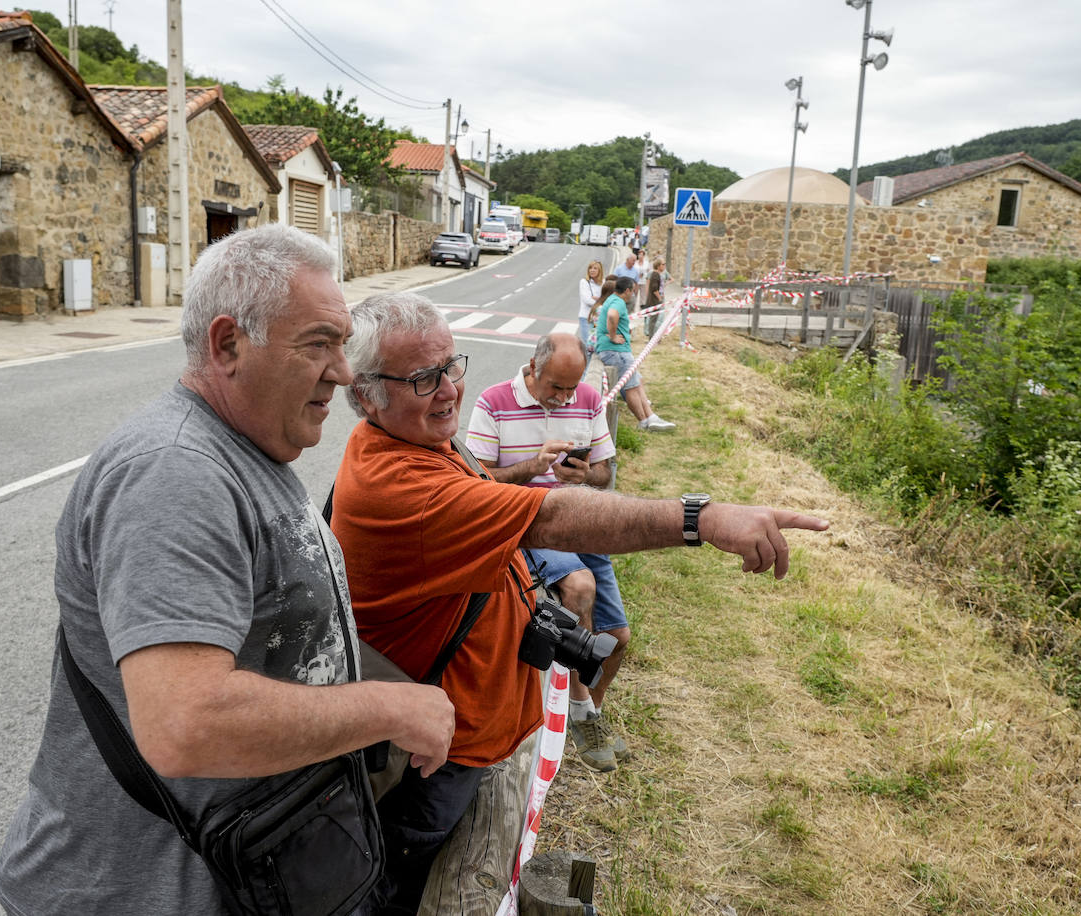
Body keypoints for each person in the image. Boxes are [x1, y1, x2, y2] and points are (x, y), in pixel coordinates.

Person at [0, 226, 454, 916]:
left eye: (343, 343)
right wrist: (390, 709)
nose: (344, 372)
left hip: (235, 871)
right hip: (134, 893)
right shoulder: (175, 472)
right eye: (318, 344)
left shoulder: (247, 448)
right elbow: (186, 724)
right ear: (227, 344)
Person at [331, 291, 829, 915]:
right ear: (365, 393)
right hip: (446, 751)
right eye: (423, 378)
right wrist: (704, 518)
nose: (449, 390)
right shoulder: (399, 483)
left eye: (451, 366)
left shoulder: (423, 440)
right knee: (407, 879)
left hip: (473, 730)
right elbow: (554, 515)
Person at [465, 332, 632, 772]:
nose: (563, 398)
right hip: (529, 522)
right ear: (534, 367)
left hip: (581, 521)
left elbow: (603, 474)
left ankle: (586, 718)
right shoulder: (493, 401)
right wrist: (531, 468)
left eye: (570, 388)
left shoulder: (589, 399)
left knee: (618, 640)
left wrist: (582, 475)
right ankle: (578, 708)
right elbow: (475, 484)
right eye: (555, 387)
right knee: (579, 587)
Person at [596, 276, 676, 430]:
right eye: (632, 291)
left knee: (637, 383)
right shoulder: (618, 302)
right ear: (626, 290)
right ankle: (644, 421)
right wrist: (612, 336)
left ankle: (651, 417)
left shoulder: (612, 299)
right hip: (616, 352)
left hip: (618, 351)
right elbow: (612, 315)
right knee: (630, 387)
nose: (633, 294)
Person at [576, 259, 604, 350]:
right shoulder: (584, 282)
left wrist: (596, 299)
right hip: (586, 318)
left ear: (600, 271)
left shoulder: (603, 283)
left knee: (595, 344)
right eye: (590, 268)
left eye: (595, 268)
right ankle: (586, 364)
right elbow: (587, 300)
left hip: (598, 319)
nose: (592, 270)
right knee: (587, 345)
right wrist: (600, 301)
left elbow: (606, 298)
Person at [643, 256, 668, 338]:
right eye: (663, 264)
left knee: (656, 319)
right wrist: (659, 298)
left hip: (656, 299)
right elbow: (654, 289)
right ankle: (651, 337)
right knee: (653, 320)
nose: (664, 266)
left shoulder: (658, 274)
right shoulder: (655, 274)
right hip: (655, 300)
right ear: (658, 266)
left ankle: (654, 336)